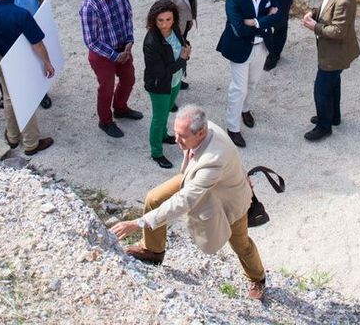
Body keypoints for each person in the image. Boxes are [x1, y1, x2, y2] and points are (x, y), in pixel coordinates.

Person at [111, 105, 266, 301]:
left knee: (241, 244)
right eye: (176, 133)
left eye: (181, 136)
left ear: (201, 133)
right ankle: (153, 249)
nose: (176, 140)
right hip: (197, 178)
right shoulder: (205, 131)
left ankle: (257, 278)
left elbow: (185, 200)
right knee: (154, 198)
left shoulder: (213, 160)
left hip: (228, 201)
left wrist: (138, 222)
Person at [0, 0, 55, 155]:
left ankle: (12, 136)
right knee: (25, 99)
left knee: (8, 97)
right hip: (20, 59)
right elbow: (37, 43)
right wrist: (47, 63)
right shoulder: (21, 14)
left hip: (0, 58)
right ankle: (31, 142)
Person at [215, 0, 281, 148]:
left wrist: (257, 22)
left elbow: (278, 16)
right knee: (239, 88)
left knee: (253, 82)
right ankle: (233, 127)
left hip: (262, 46)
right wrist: (266, 18)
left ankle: (245, 109)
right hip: (240, 47)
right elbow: (240, 28)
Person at [299, 0, 360, 142]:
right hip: (333, 52)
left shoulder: (344, 0)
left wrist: (314, 26)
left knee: (321, 89)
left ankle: (324, 126)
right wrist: (314, 13)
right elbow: (326, 9)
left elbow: (338, 31)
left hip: (335, 54)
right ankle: (333, 116)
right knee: (333, 83)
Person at [79, 0, 142, 138]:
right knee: (106, 88)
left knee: (129, 79)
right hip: (102, 55)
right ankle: (105, 121)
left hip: (123, 47)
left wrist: (129, 40)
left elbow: (128, 15)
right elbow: (91, 41)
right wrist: (115, 55)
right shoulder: (89, 7)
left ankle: (120, 108)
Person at [142, 0, 189, 169]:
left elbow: (181, 45)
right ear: (153, 20)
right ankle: (156, 152)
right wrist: (183, 59)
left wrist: (186, 50)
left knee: (167, 111)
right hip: (159, 85)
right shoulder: (151, 42)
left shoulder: (174, 29)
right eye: (160, 20)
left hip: (174, 80)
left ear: (174, 19)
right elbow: (160, 72)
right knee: (159, 117)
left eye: (168, 20)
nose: (164, 24)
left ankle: (163, 135)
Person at [154, 0, 197, 90]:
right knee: (170, 57)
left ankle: (177, 79)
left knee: (182, 52)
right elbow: (164, 12)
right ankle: (166, 88)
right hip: (171, 28)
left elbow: (190, 1)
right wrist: (171, 30)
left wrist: (190, 19)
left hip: (183, 24)